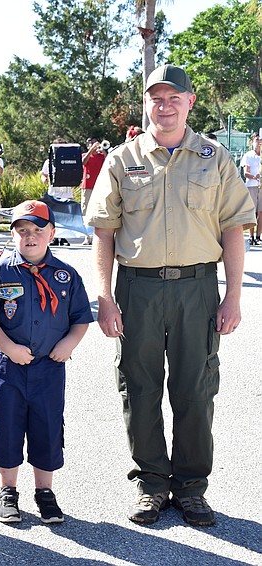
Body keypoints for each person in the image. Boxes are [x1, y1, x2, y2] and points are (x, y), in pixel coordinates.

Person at [85, 64, 256, 527]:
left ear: (190, 101)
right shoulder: (122, 159)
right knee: (138, 388)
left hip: (197, 288)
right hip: (137, 289)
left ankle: (192, 487)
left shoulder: (214, 157)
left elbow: (234, 228)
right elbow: (104, 231)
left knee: (195, 389)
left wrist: (233, 296)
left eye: (173, 98)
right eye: (155, 98)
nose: (164, 106)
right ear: (147, 104)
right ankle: (152, 485)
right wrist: (105, 296)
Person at [0, 200, 91, 525]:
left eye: (38, 230)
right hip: (7, 367)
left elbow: (81, 318)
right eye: (22, 230)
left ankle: (44, 492)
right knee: (6, 427)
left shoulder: (66, 276)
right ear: (13, 235)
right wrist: (8, 347)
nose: (30, 236)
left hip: (48, 368)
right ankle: (8, 491)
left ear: (52, 233)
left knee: (47, 428)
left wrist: (69, 344)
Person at [81, 137, 107, 245]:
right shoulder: (84, 155)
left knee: (100, 211)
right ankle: (87, 236)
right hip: (87, 186)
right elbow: (83, 162)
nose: (94, 145)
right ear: (87, 146)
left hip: (100, 187)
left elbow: (109, 162)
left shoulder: (102, 156)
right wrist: (91, 150)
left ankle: (97, 236)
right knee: (85, 211)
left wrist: (104, 151)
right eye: (91, 144)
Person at [240, 133, 262, 245]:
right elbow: (246, 173)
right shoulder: (249, 155)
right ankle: (251, 236)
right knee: (252, 212)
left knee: (261, 212)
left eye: (260, 140)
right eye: (257, 140)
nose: (259, 142)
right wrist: (255, 177)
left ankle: (258, 236)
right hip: (252, 186)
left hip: (261, 187)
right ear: (252, 142)